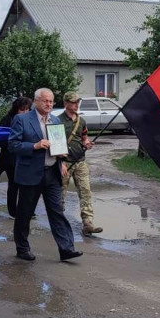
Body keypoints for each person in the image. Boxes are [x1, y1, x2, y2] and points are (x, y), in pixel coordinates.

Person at [9, 87, 82, 263]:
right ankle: (22, 248)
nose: (49, 104)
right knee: (25, 213)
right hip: (30, 174)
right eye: (45, 101)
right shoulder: (22, 119)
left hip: (52, 174)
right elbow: (12, 145)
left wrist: (62, 160)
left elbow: (57, 146)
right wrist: (34, 146)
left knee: (57, 212)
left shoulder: (55, 120)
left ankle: (66, 249)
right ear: (36, 101)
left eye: (51, 101)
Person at [59, 91, 102, 236]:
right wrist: (60, 163)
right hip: (64, 163)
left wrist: (87, 144)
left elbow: (84, 138)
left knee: (85, 192)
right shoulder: (57, 120)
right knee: (60, 194)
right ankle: (59, 221)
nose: (76, 105)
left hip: (80, 162)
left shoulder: (81, 121)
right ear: (65, 103)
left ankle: (88, 223)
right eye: (73, 102)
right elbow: (55, 144)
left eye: (77, 102)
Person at [0, 97, 31, 218]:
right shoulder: (7, 120)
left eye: (27, 109)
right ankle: (12, 210)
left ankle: (25, 209)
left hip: (26, 157)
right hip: (11, 159)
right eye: (22, 109)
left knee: (26, 185)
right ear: (16, 109)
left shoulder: (30, 120)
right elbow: (0, 139)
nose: (25, 112)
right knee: (14, 184)